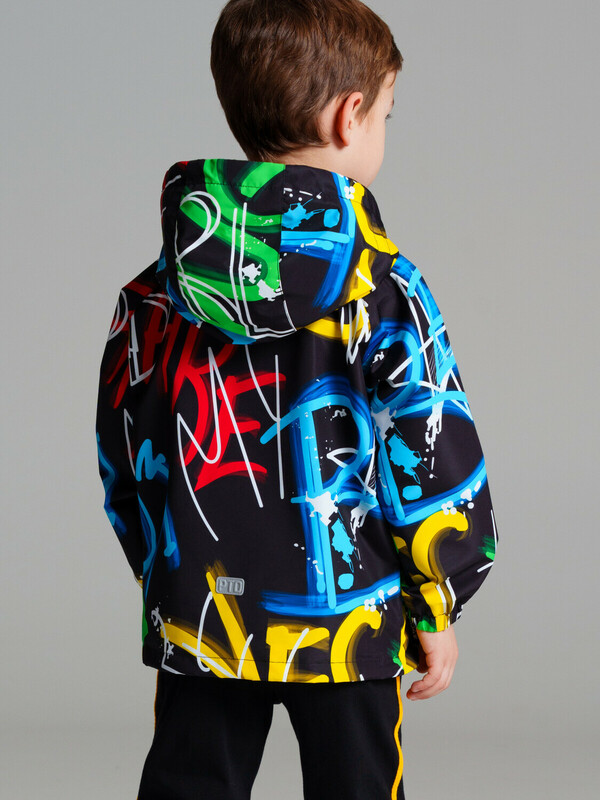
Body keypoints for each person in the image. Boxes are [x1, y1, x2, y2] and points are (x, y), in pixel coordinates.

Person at [96, 1, 497, 797]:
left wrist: (167, 571)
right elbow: (428, 447)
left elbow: (126, 450)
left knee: (189, 784)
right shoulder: (385, 288)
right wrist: (437, 598)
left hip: (203, 612)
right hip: (350, 612)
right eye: (386, 115)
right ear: (351, 116)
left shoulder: (156, 294)